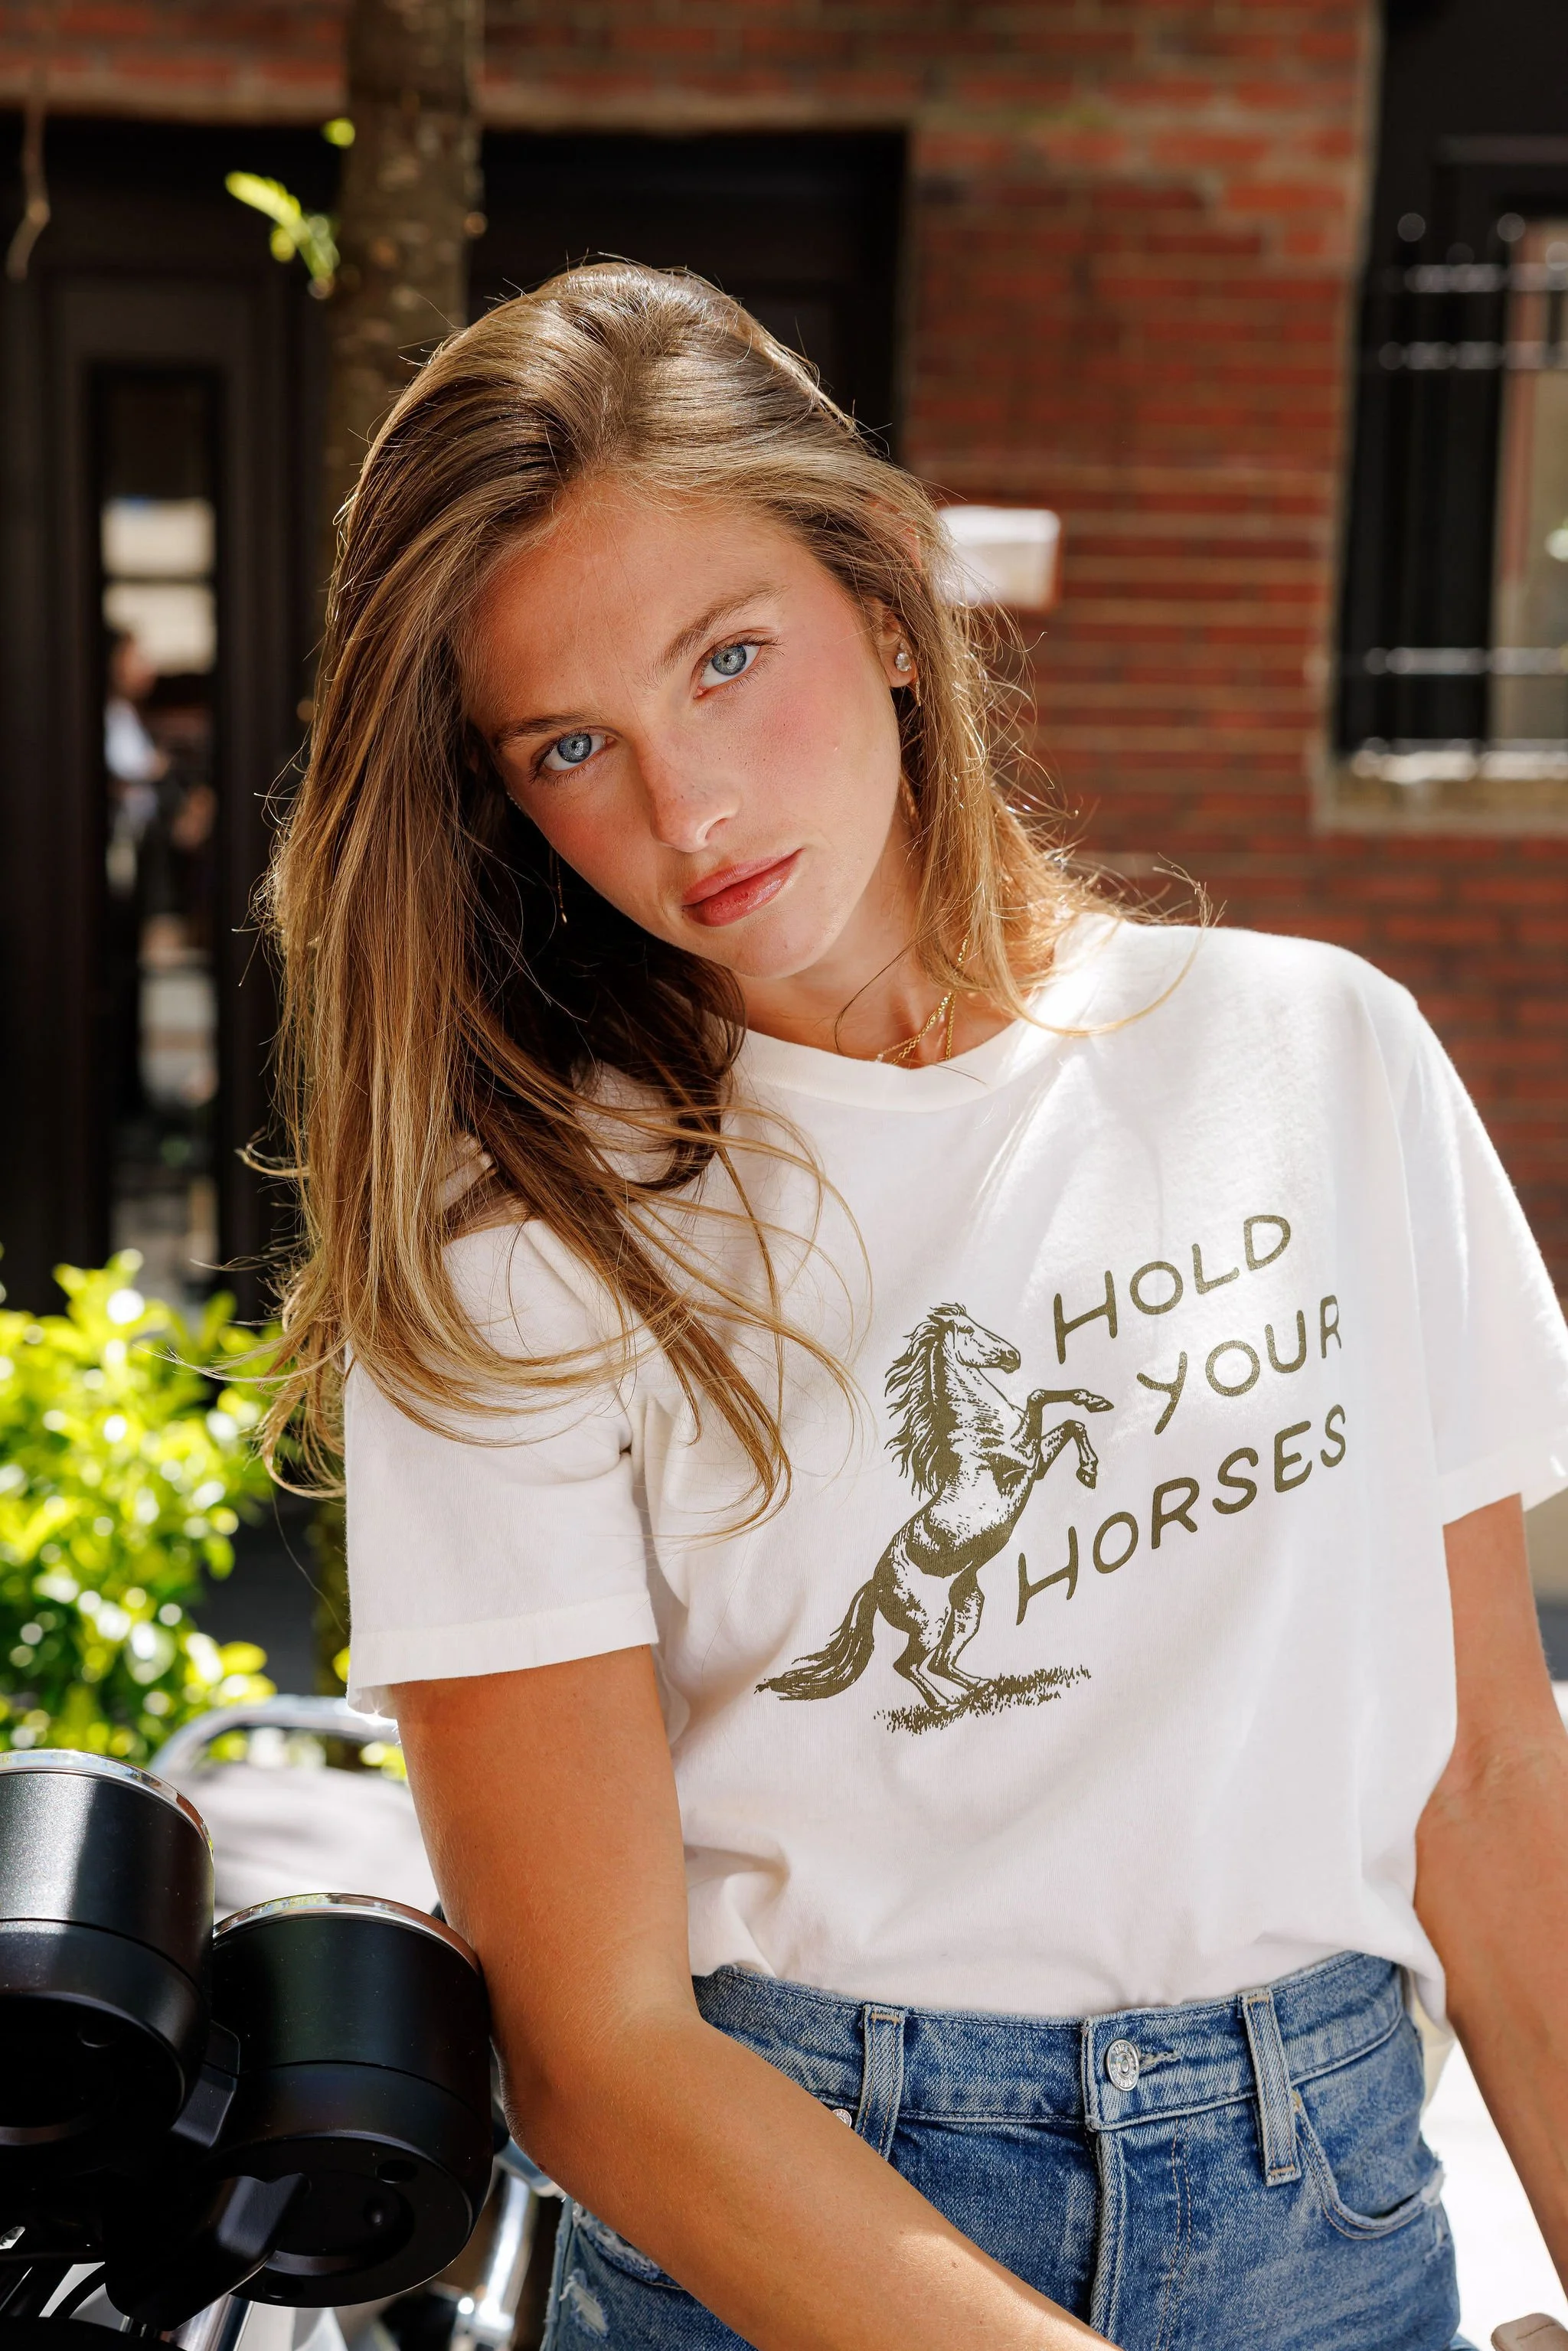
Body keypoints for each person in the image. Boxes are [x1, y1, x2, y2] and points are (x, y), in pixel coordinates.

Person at [266, 263, 1568, 2351]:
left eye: (727, 657)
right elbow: (598, 2046)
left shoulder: (1322, 1054)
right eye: (571, 742)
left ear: (885, 602)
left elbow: (1493, 1779)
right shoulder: (521, 1229)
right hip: (789, 2227)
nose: (684, 810)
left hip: (1326, 2212)